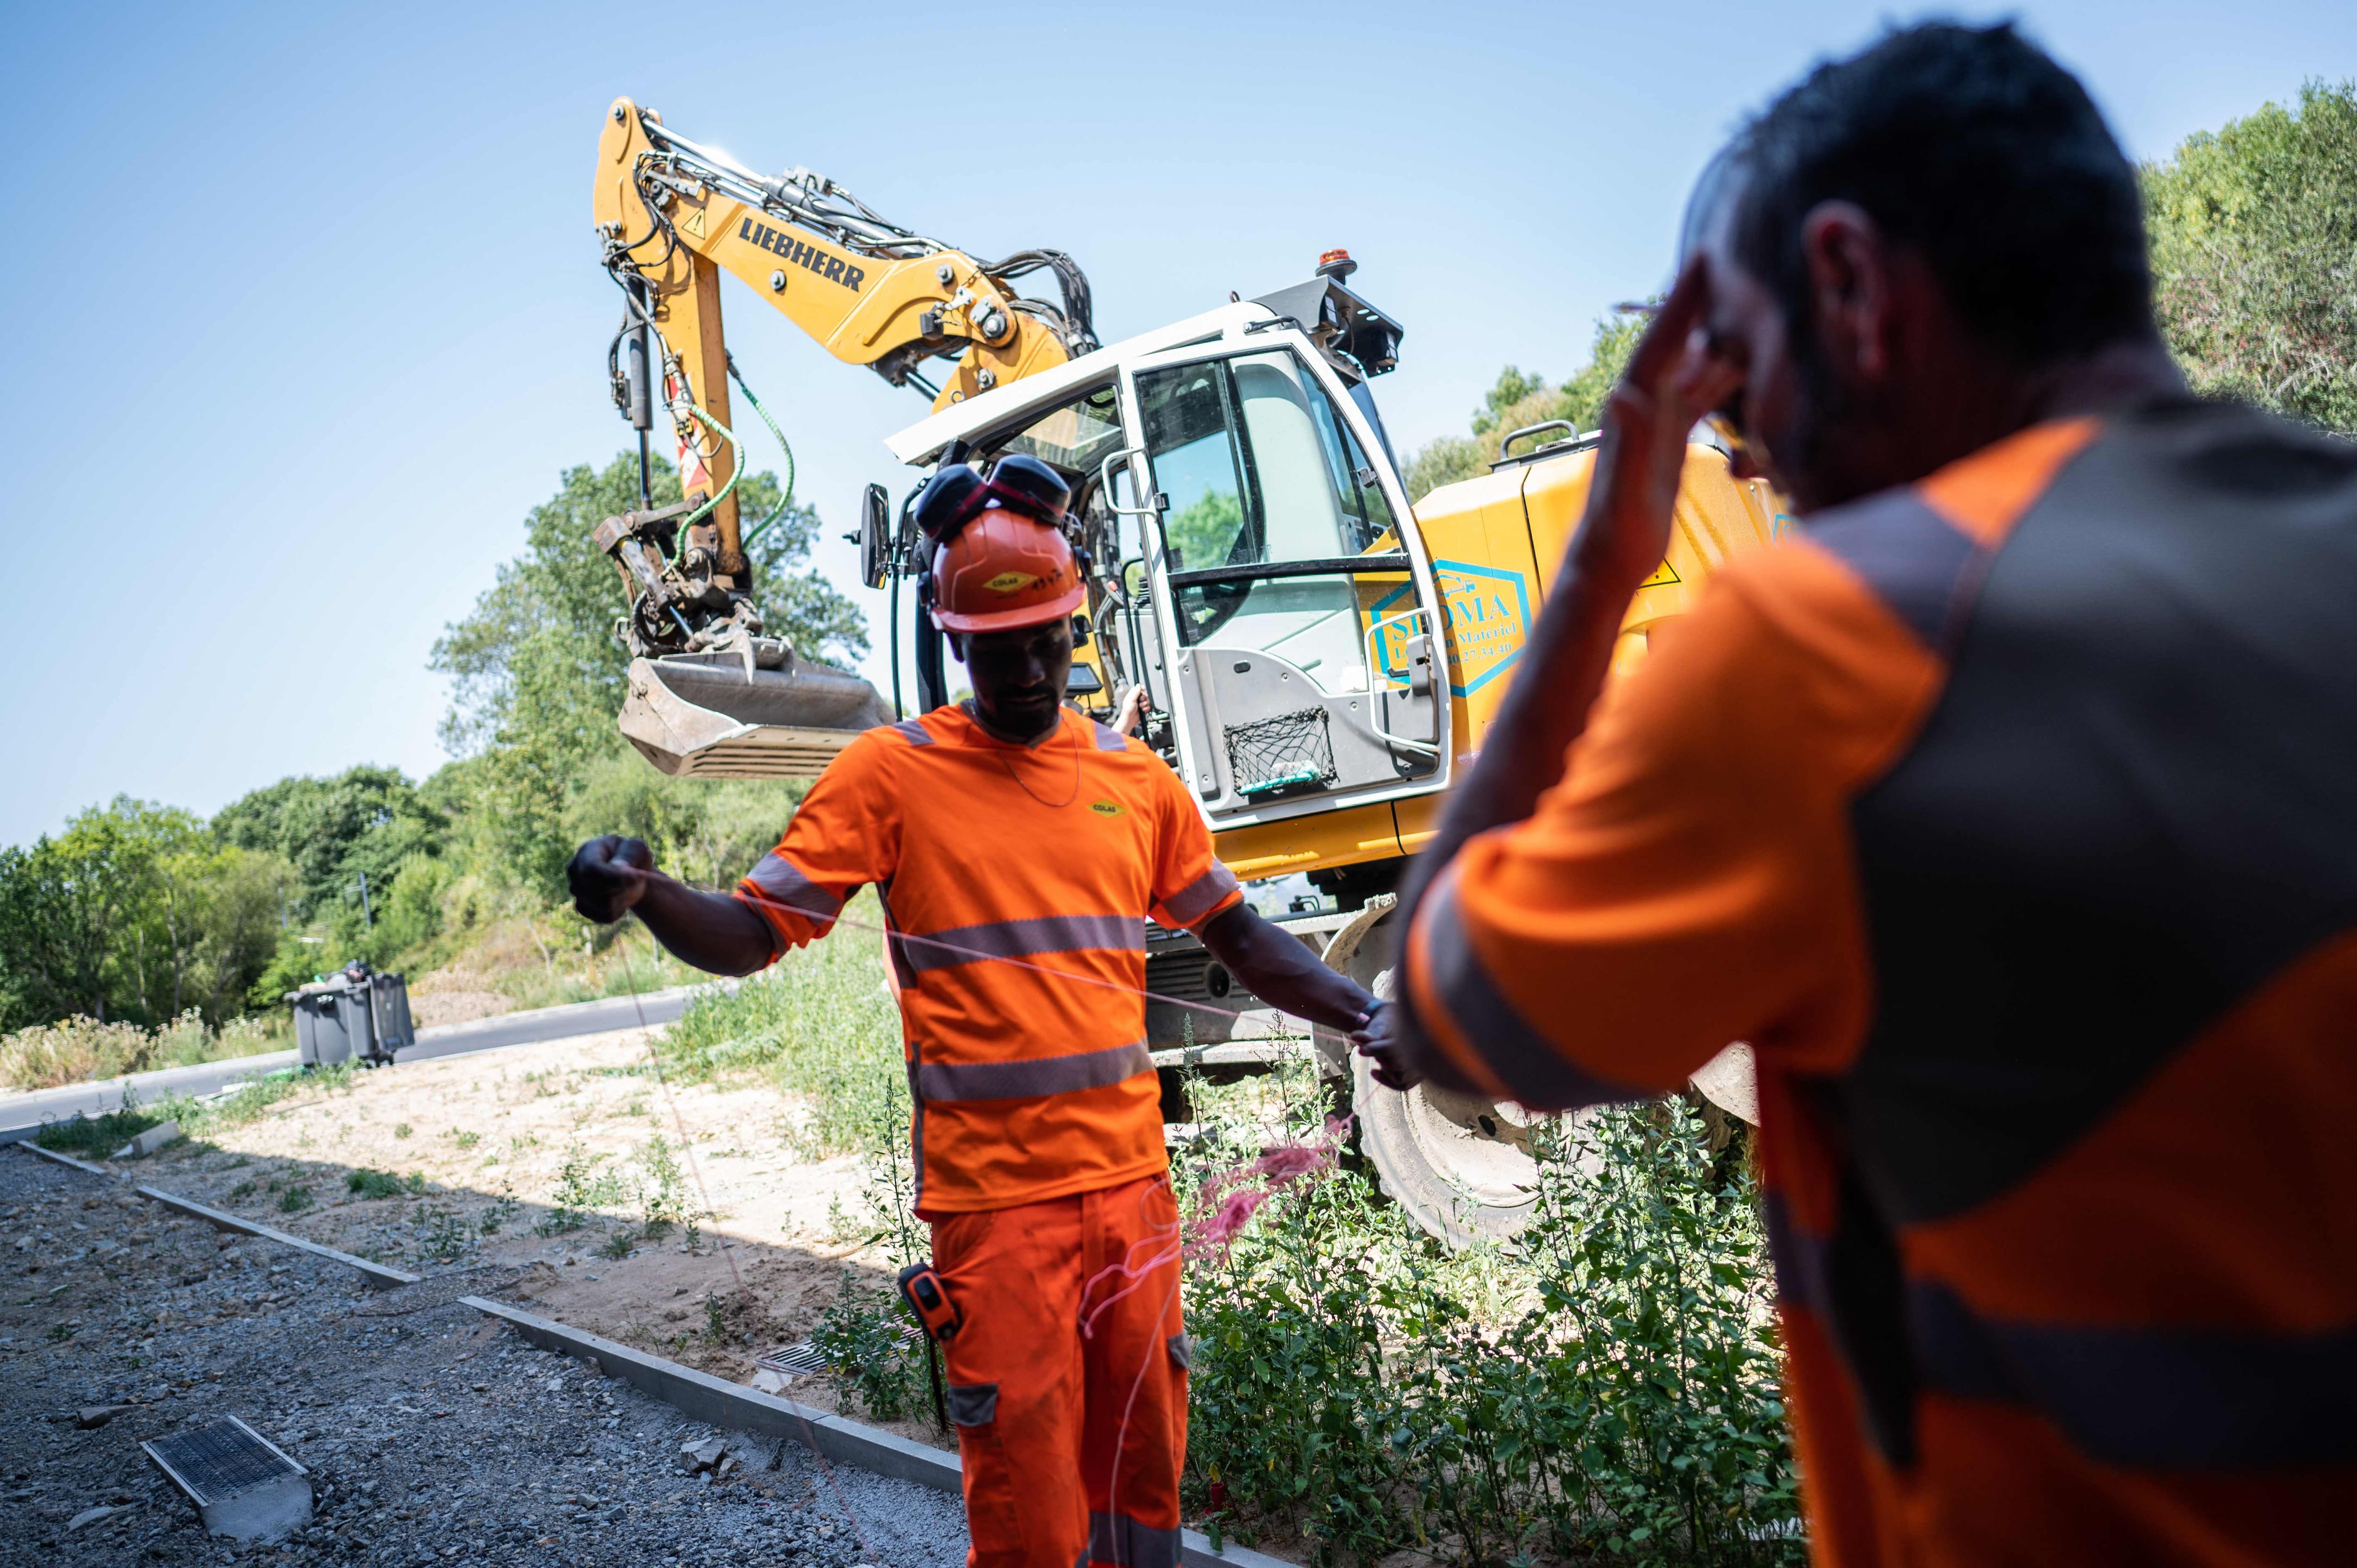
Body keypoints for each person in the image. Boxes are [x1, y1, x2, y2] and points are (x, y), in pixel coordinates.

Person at [1358, 21, 2357, 1568]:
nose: (1745, 457)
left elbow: (1440, 1013)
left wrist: (1609, 549)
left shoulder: (1827, 647)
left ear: (1848, 285)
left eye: (1737, 372)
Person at [571, 453, 1377, 1568]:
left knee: (1143, 1486)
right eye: (1001, 647)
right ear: (956, 639)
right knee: (1028, 1508)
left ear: (1077, 623)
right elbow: (755, 930)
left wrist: (1362, 1012)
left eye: (1049, 637)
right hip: (997, 1222)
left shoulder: (1135, 779)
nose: (1031, 668)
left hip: (1133, 1200)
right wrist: (649, 894)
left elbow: (1241, 937)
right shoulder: (888, 776)